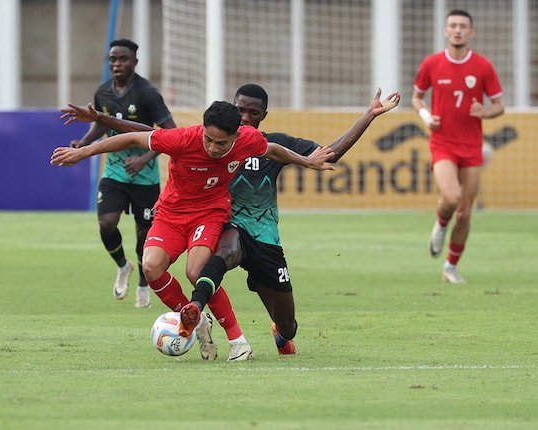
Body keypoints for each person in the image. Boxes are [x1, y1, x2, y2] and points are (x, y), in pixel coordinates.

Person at [52, 101, 336, 361]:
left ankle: (238, 342)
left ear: (236, 137)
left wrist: (306, 161)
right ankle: (196, 321)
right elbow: (132, 137)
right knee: (151, 267)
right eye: (208, 139)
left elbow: (273, 149)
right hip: (172, 213)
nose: (212, 148)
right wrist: (83, 152)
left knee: (197, 271)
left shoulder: (248, 139)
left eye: (220, 143)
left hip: (210, 213)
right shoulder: (183, 138)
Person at [179, 85, 401, 356]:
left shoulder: (273, 144)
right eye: (240, 110)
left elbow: (329, 155)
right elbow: (164, 144)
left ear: (264, 115)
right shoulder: (214, 143)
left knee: (288, 324)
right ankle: (196, 310)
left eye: (254, 112)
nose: (246, 117)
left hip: (266, 239)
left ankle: (281, 335)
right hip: (230, 226)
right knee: (223, 252)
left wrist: (369, 115)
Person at [70, 38, 176, 309]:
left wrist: (144, 159)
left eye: (123, 59)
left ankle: (143, 283)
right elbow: (101, 125)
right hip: (115, 170)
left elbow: (170, 135)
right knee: (106, 222)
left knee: (144, 235)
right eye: (113, 59)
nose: (117, 64)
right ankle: (122, 265)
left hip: (145, 176)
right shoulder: (103, 93)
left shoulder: (148, 94)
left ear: (134, 62)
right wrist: (83, 144)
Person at [411, 9, 504, 284]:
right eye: (453, 25)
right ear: (445, 30)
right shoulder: (432, 63)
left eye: (463, 26)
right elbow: (417, 98)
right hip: (443, 143)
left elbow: (500, 106)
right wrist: (427, 117)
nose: (458, 30)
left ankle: (450, 267)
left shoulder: (483, 66)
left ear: (471, 32)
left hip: (472, 146)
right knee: (451, 198)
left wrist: (486, 111)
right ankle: (440, 225)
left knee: (464, 212)